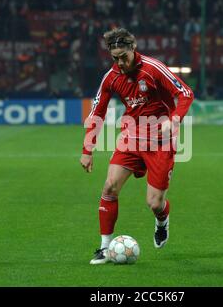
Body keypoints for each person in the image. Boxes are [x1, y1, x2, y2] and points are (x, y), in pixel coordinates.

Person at [80, 27, 194, 264]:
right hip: (131, 137)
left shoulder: (153, 68)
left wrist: (174, 120)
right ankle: (104, 247)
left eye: (124, 56)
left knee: (154, 203)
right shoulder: (111, 77)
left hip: (160, 142)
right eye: (115, 58)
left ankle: (162, 220)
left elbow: (185, 93)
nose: (120, 62)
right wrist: (87, 150)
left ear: (133, 49)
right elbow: (97, 112)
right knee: (109, 187)